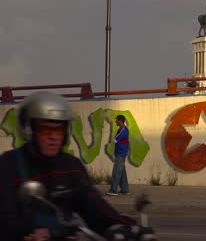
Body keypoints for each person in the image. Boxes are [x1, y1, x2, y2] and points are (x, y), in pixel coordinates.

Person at [0, 91, 152, 240]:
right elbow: (5, 217)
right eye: (46, 130)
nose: (53, 137)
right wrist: (31, 231)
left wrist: (127, 227)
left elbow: (93, 204)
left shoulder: (70, 166)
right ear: (29, 130)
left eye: (59, 130)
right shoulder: (9, 165)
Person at [107, 114, 130, 196]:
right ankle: (125, 189)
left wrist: (114, 139)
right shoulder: (121, 129)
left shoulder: (123, 129)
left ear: (120, 121)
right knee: (122, 172)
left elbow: (115, 139)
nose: (115, 121)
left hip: (121, 153)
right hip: (119, 152)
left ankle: (113, 190)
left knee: (116, 171)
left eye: (116, 120)